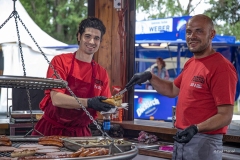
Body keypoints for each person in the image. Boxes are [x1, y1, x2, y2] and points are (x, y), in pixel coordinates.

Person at [125, 14, 237, 160]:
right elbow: (172, 89)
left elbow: (225, 116)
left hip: (205, 141)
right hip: (182, 137)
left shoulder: (222, 68)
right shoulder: (191, 63)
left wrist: (196, 128)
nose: (192, 36)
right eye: (189, 32)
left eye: (199, 31)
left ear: (212, 34)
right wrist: (150, 77)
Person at [32, 17, 115, 137]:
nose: (92, 42)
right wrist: (90, 102)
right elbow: (57, 99)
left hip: (80, 134)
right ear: (79, 36)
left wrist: (110, 109)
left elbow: (106, 107)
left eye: (96, 38)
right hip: (50, 130)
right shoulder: (60, 61)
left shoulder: (101, 73)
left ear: (100, 42)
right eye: (87, 36)